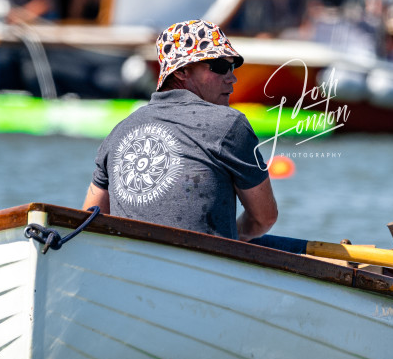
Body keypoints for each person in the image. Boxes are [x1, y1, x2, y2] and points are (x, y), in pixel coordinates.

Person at [82, 19, 278, 240]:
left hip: (128, 263)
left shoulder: (118, 132)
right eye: (220, 67)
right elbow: (264, 218)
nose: (232, 78)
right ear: (182, 72)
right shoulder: (229, 124)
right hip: (202, 266)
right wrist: (236, 237)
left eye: (232, 67)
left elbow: (89, 221)